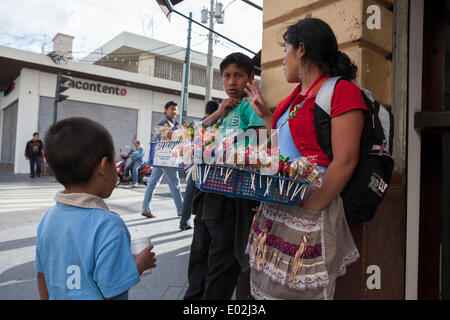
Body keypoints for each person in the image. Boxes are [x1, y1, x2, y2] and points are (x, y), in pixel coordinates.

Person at [243, 18, 365, 300]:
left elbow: (346, 160)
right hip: (278, 208)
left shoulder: (342, 91)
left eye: (284, 49)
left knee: (300, 290)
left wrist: (309, 208)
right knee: (272, 289)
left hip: (310, 209)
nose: (282, 60)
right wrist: (265, 116)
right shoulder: (292, 98)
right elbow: (283, 149)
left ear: (300, 49)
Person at [35, 117, 156, 300]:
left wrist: (122, 258)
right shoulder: (110, 225)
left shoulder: (48, 219)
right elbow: (114, 291)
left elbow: (42, 275)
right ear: (103, 166)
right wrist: (139, 265)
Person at [183, 52, 265, 300]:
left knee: (220, 266)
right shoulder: (225, 108)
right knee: (199, 259)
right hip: (207, 195)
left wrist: (223, 149)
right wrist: (218, 113)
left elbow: (261, 140)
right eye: (227, 76)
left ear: (251, 77)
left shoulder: (252, 107)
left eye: (238, 76)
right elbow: (193, 137)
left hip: (233, 199)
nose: (232, 82)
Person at [179, 100, 219, 231]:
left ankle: (184, 221)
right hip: (208, 166)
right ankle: (204, 223)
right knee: (207, 194)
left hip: (194, 165)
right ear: (216, 111)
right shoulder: (216, 125)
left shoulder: (196, 125)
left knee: (189, 193)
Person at [141, 101, 184, 219]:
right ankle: (181, 210)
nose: (174, 111)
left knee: (152, 183)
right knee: (175, 184)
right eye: (172, 109)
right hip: (166, 157)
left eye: (176, 109)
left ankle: (145, 208)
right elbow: (165, 139)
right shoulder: (164, 122)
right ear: (165, 110)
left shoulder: (172, 122)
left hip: (160, 158)